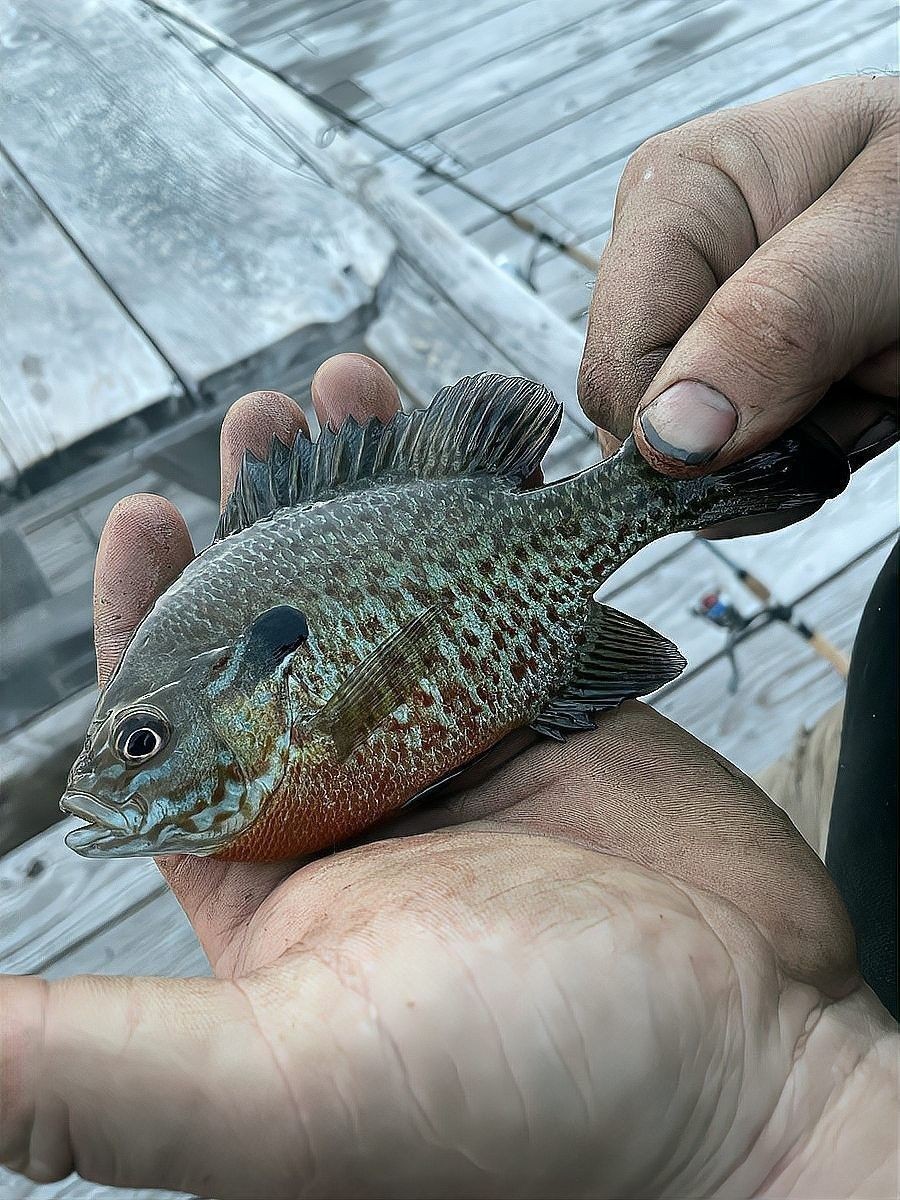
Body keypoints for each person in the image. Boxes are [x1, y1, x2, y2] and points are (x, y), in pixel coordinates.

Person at [2, 75, 896, 1198]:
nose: (128, 773)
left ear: (239, 684)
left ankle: (679, 485)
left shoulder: (296, 737)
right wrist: (795, 1104)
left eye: (142, 743)